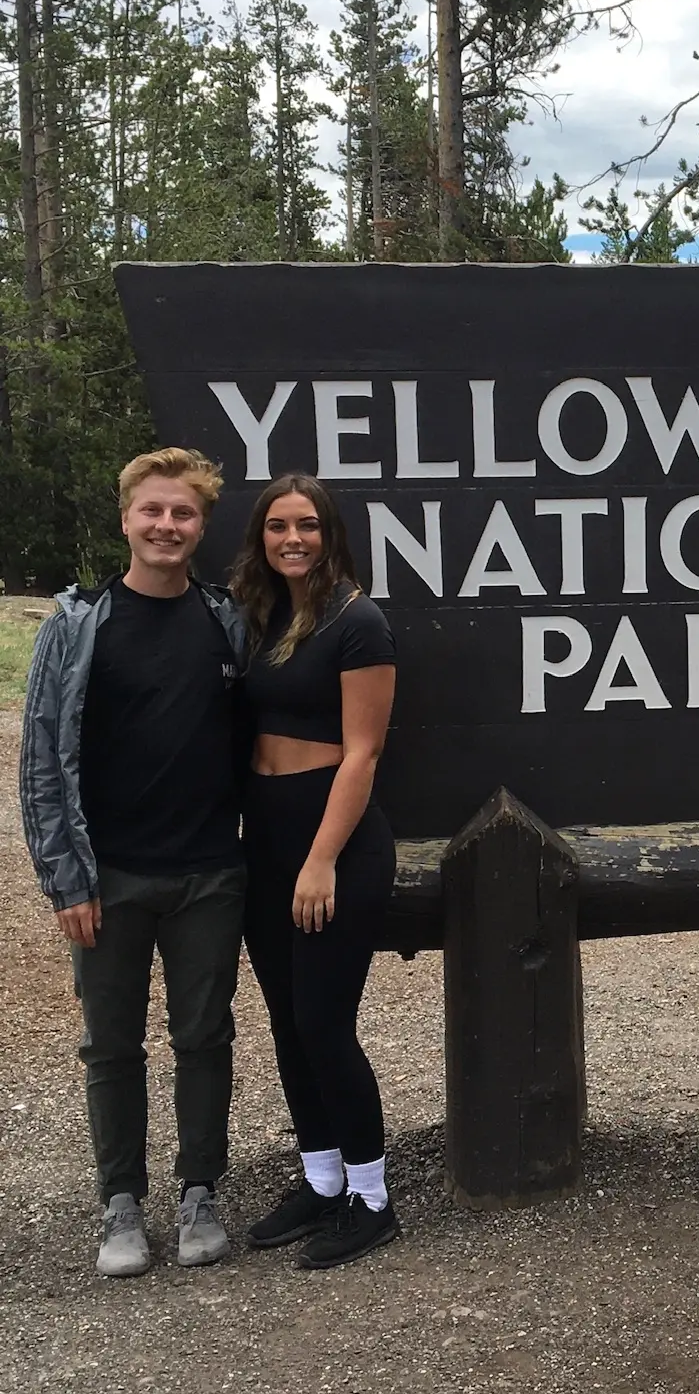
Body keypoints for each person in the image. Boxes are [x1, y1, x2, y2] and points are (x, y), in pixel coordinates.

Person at [18, 447, 248, 1278]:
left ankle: (199, 1194)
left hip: (210, 872)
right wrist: (64, 878)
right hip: (107, 875)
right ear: (125, 519)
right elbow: (42, 760)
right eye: (153, 510)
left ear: (201, 526)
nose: (167, 525)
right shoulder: (78, 625)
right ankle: (120, 1202)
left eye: (183, 513)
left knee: (204, 1036)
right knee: (110, 1046)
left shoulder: (227, 622)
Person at [230, 472, 400, 1270]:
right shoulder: (262, 616)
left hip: (332, 840)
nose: (291, 539)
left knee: (324, 1024)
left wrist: (322, 858)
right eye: (277, 526)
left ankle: (372, 1199)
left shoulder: (357, 621)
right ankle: (323, 1180)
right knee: (288, 1022)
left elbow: (363, 752)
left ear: (330, 535)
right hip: (265, 837)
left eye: (307, 525)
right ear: (260, 537)